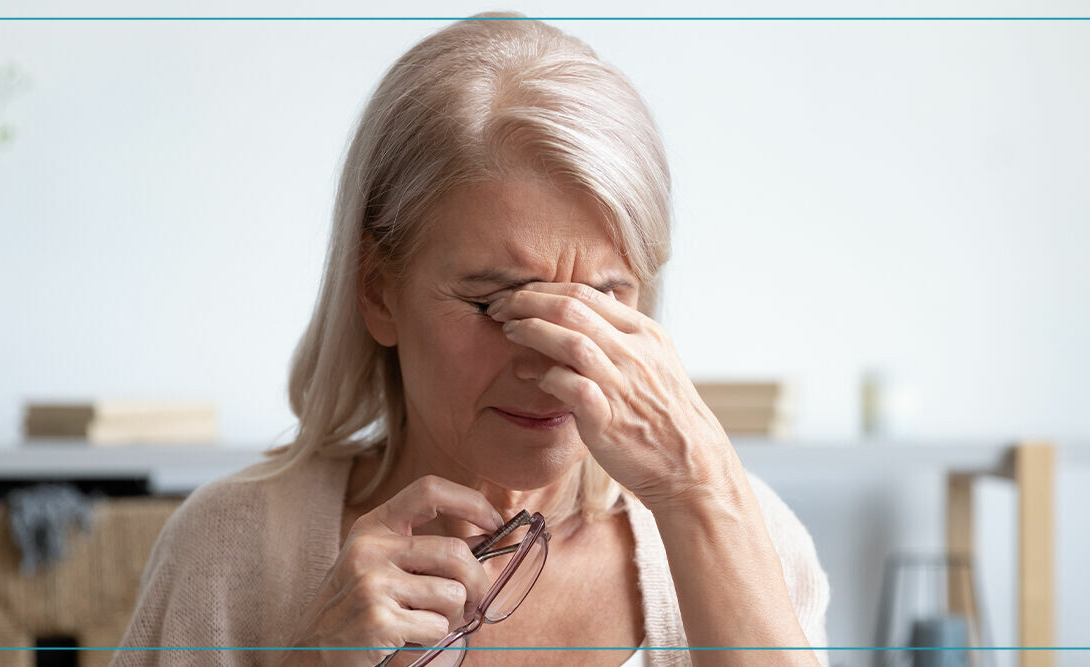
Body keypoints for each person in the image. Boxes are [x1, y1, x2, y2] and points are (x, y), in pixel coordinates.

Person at [114, 11, 830, 667]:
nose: (557, 360)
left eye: (604, 298)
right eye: (496, 302)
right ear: (377, 290)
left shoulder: (748, 537)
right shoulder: (227, 552)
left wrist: (701, 489)